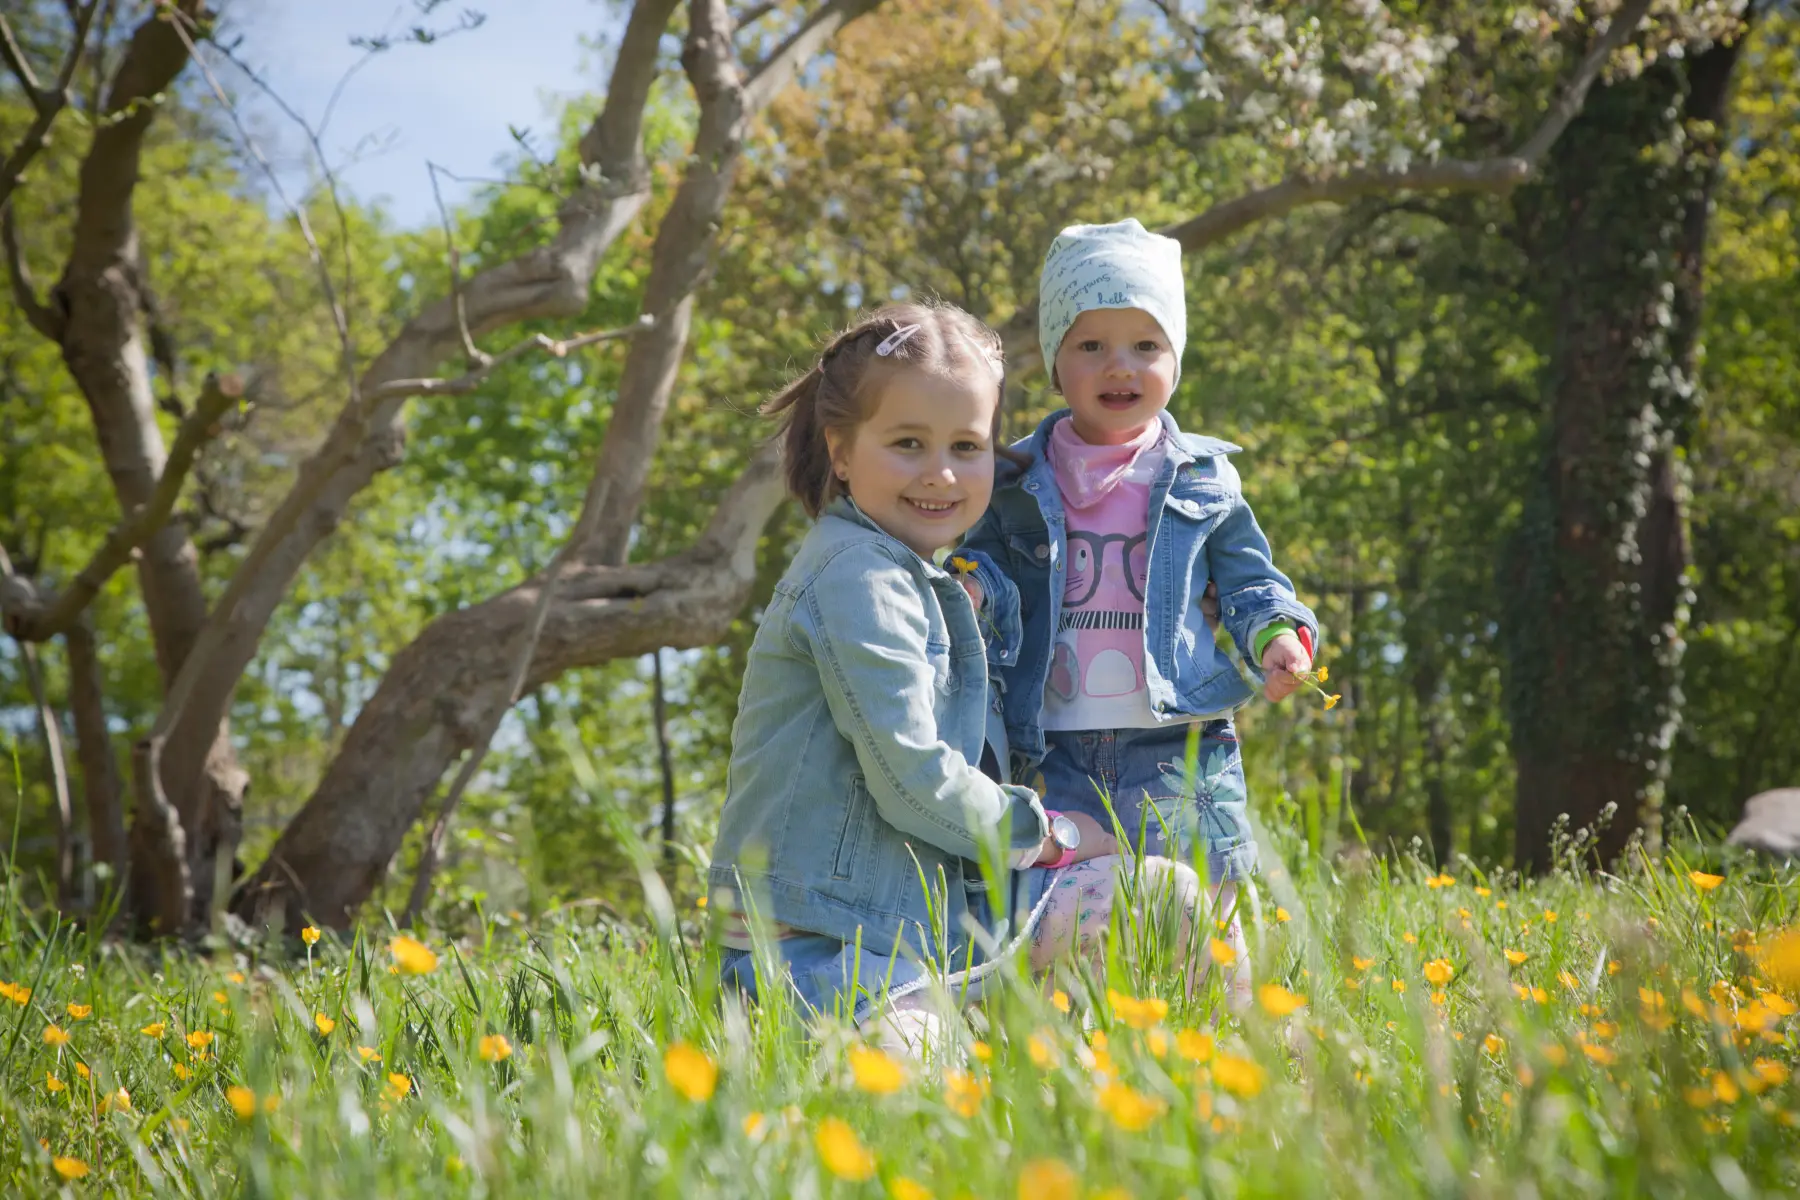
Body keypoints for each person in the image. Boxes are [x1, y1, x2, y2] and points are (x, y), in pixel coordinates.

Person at [708, 301, 1204, 1043]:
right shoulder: (854, 578)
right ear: (840, 451)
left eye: (968, 446)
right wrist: (1053, 834)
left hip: (931, 932)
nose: (941, 473)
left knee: (1160, 893)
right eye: (908, 443)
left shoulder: (924, 577)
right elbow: (914, 778)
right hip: (816, 948)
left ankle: (1226, 1080)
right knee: (911, 1074)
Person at [962, 218, 1321, 1007]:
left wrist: (1278, 635)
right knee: (1066, 901)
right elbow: (981, 555)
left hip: (1178, 743)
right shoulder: (1015, 476)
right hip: (1051, 744)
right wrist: (975, 585)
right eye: (1091, 346)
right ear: (1056, 359)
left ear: (1175, 360)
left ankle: (1221, 1035)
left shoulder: (1203, 479)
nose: (1118, 366)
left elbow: (1253, 581)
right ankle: (1074, 1026)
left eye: (1144, 346)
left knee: (1207, 902)